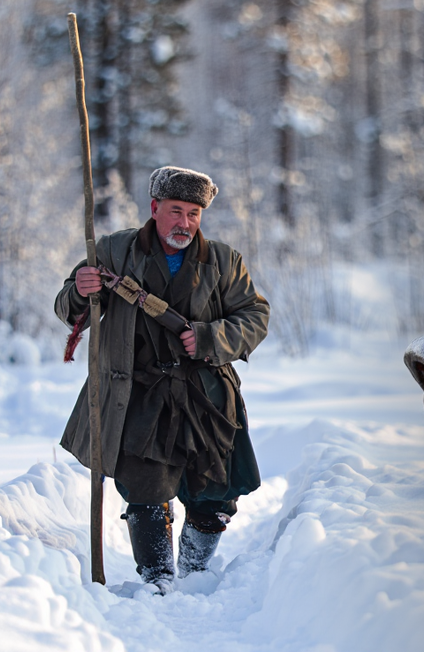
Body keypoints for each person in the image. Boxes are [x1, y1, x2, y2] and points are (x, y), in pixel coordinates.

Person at [56, 165, 270, 593]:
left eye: (194, 213)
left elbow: (255, 316)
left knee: (215, 495)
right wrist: (80, 289)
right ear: (154, 209)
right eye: (176, 211)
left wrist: (210, 336)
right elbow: (69, 309)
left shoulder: (223, 260)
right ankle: (157, 580)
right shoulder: (113, 252)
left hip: (207, 395)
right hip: (137, 393)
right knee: (145, 491)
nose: (185, 223)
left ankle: (193, 568)